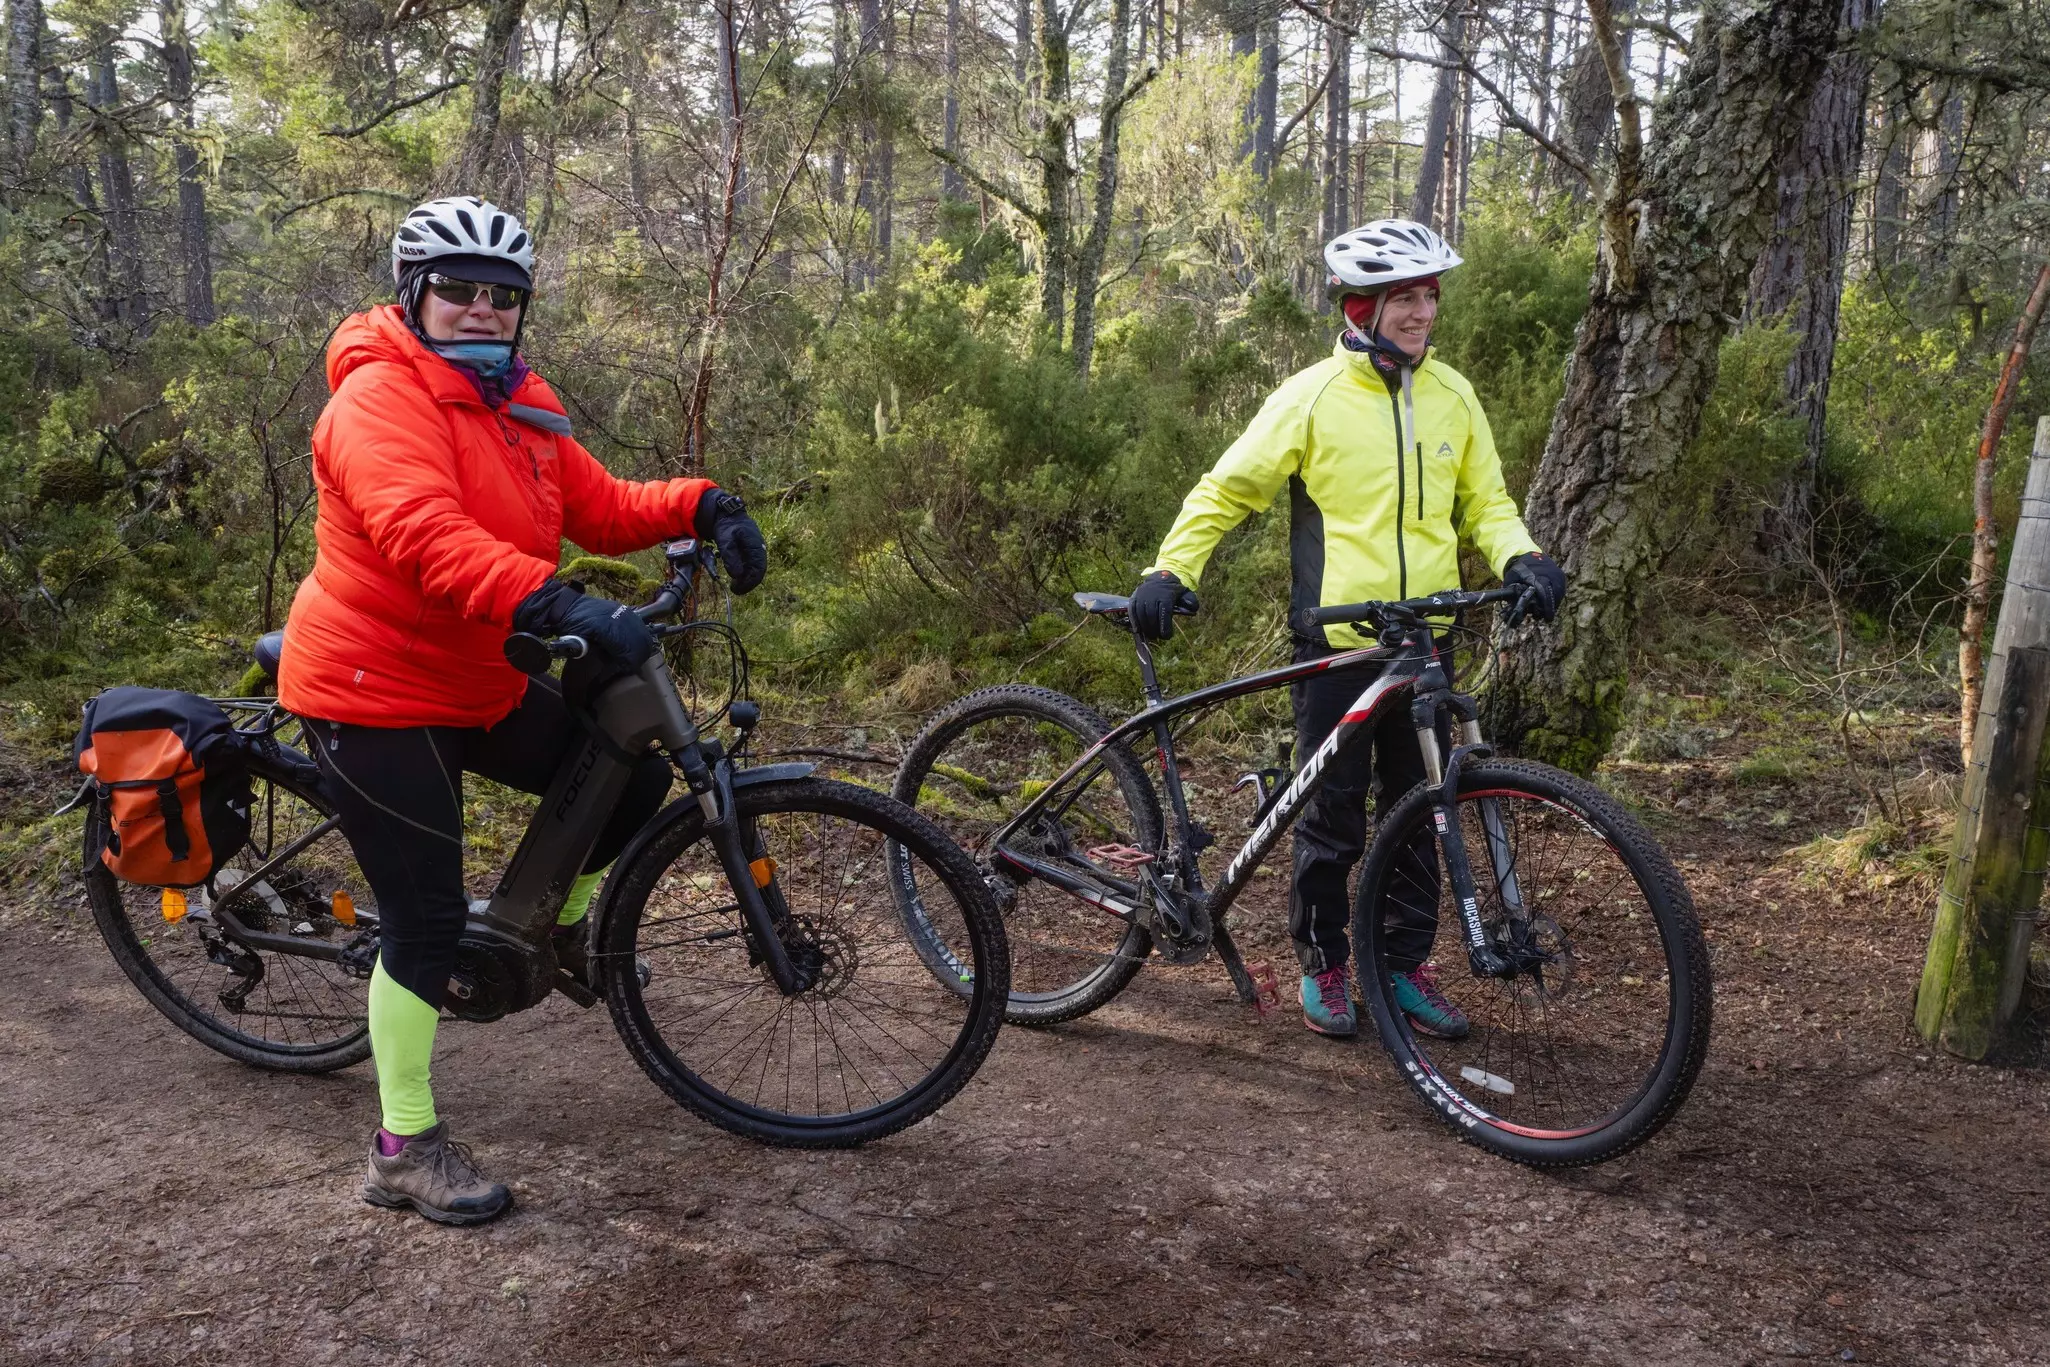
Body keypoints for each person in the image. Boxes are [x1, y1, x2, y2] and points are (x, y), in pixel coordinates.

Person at [277, 195, 769, 1226]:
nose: (481, 308)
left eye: (502, 295)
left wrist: (700, 504)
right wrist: (554, 600)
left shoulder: (514, 404)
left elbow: (596, 503)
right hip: (374, 688)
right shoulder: (377, 402)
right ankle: (401, 1149)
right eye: (457, 289)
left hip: (475, 679)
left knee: (628, 778)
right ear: (415, 294)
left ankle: (563, 928)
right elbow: (425, 536)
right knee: (424, 921)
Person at [1126, 219, 1566, 1041]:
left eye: (1431, 295)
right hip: (1338, 644)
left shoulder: (1454, 394)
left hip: (1424, 640)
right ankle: (1322, 962)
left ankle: (1402, 967)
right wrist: (1171, 569)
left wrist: (1523, 557)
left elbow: (1488, 504)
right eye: (1406, 296)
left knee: (1424, 810)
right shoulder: (1313, 396)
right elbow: (1226, 490)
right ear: (1363, 306)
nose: (1423, 311)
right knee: (1333, 816)